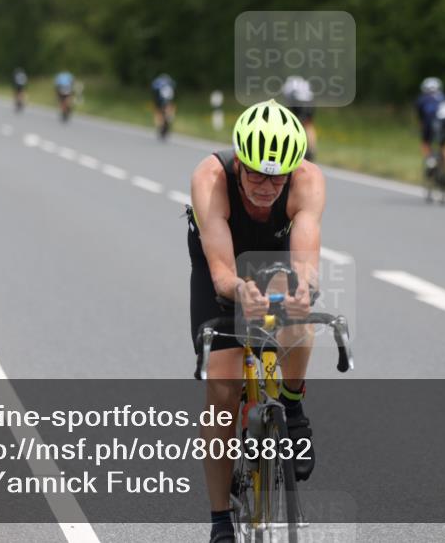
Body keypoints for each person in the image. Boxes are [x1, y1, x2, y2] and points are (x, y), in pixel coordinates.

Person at [187, 99, 324, 543]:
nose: (267, 187)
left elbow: (306, 254)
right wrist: (236, 290)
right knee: (223, 386)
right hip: (220, 260)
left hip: (274, 255)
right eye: (256, 175)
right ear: (239, 163)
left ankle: (293, 405)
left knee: (298, 317)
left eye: (276, 176)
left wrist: (304, 288)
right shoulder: (210, 178)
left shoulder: (307, 181)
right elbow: (223, 270)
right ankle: (220, 521)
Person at [415, 76, 445, 186]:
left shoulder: (422, 99)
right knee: (444, 146)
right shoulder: (444, 97)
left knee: (425, 143)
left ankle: (430, 161)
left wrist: (421, 128)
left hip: (429, 123)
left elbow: (421, 118)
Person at [281, 75, 317, 161]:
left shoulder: (289, 83)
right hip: (309, 103)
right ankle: (312, 151)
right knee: (309, 125)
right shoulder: (303, 82)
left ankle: (294, 148)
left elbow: (288, 99)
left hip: (298, 103)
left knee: (294, 125)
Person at [151, 73, 177, 139]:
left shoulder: (158, 82)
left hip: (160, 100)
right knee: (166, 109)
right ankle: (168, 118)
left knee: (159, 112)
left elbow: (154, 92)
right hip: (164, 100)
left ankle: (161, 124)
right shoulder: (170, 83)